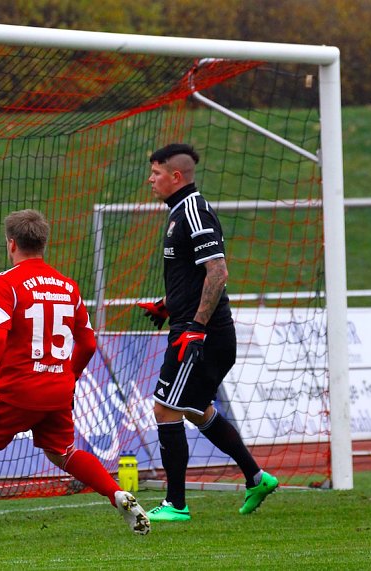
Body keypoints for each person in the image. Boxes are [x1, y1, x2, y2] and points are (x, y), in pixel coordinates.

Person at [0, 209, 150, 544]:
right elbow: (89, 343)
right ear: (43, 243)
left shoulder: (4, 282)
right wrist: (69, 377)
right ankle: (115, 493)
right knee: (62, 451)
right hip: (57, 389)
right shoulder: (69, 286)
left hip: (16, 389)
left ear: (11, 244)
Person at [137, 143, 278, 522]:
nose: (151, 180)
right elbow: (194, 275)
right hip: (194, 328)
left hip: (202, 334)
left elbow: (218, 272)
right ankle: (256, 477)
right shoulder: (179, 213)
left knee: (165, 410)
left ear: (175, 176)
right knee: (197, 411)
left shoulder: (194, 213)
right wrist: (167, 305)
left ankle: (176, 504)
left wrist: (196, 327)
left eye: (156, 173)